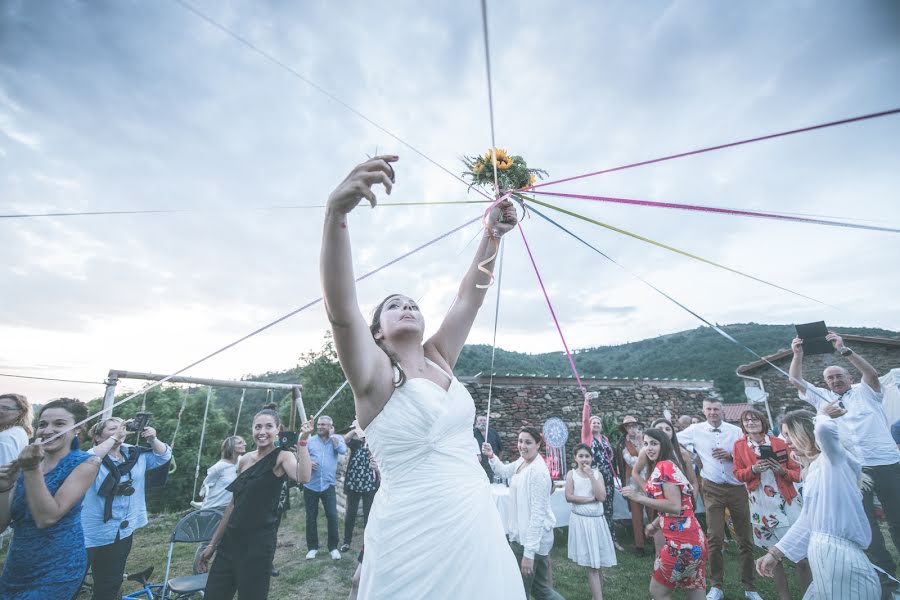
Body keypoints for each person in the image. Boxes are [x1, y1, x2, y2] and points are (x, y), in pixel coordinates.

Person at [321, 155, 524, 599]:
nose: (407, 306)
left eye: (412, 302)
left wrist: (492, 234)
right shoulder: (373, 375)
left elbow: (470, 297)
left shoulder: (439, 358)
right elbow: (341, 312)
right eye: (395, 305)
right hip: (412, 532)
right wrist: (336, 216)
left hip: (474, 521)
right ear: (377, 332)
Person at [789, 332, 900, 592]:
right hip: (853, 471)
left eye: (840, 375)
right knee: (866, 523)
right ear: (826, 382)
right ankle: (887, 579)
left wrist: (844, 350)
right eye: (831, 377)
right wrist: (797, 354)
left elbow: (871, 374)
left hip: (885, 462)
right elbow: (795, 380)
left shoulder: (866, 391)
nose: (836, 380)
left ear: (849, 378)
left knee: (898, 519)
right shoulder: (822, 399)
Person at [0, 398, 121, 600]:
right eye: (42, 424)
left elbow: (46, 518)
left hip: (58, 566)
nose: (47, 431)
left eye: (59, 424)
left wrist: (31, 469)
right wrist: (4, 488)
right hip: (18, 563)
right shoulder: (25, 463)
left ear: (78, 429)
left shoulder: (86, 463)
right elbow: (2, 525)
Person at [755, 409, 881, 598]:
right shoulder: (813, 469)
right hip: (821, 554)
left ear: (807, 431)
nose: (787, 442)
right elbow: (807, 520)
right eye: (784, 435)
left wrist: (821, 413)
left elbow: (825, 430)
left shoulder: (834, 461)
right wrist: (775, 553)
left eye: (790, 434)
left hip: (840, 557)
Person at [199, 405, 313, 600]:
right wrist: (212, 544)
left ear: (278, 430)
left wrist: (302, 442)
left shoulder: (282, 456)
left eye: (268, 426)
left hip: (258, 546)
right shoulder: (244, 460)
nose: (262, 432)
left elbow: (303, 477)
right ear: (252, 429)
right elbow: (233, 505)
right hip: (230, 543)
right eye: (257, 427)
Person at [80, 416, 172, 600]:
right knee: (72, 581)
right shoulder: (90, 456)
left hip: (120, 531)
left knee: (109, 584)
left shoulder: (134, 454)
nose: (119, 432)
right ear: (98, 437)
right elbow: (91, 457)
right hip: (89, 531)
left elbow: (164, 456)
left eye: (121, 428)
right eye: (112, 429)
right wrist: (115, 438)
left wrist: (152, 439)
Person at [678, 399, 760, 600]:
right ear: (704, 410)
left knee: (744, 539)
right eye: (709, 409)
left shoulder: (736, 431)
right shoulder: (695, 430)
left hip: (737, 488)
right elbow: (672, 440)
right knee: (714, 538)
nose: (713, 412)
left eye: (716, 409)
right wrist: (692, 457)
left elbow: (750, 455)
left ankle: (750, 587)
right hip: (712, 488)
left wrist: (731, 456)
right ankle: (716, 586)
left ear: (722, 410)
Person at [621, 428, 707, 600]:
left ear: (664, 445)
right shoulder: (669, 464)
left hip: (680, 544)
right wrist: (655, 524)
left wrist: (638, 497)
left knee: (657, 591)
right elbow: (680, 507)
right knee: (694, 587)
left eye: (654, 443)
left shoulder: (664, 467)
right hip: (694, 539)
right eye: (645, 444)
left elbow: (674, 506)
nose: (649, 448)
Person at [732, 408, 808, 600]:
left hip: (786, 502)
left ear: (763, 422)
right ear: (743, 425)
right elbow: (738, 474)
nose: (751, 422)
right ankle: (785, 598)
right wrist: (753, 469)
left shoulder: (781, 443)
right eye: (746, 420)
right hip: (759, 507)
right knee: (772, 556)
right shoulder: (739, 446)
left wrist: (782, 472)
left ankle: (809, 595)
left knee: (802, 554)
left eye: (755, 419)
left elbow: (799, 472)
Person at [484, 428, 564, 600]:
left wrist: (529, 554)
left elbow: (537, 516)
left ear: (538, 444)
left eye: (528, 442)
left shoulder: (538, 472)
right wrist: (492, 456)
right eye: (520, 441)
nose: (522, 446)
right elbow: (504, 471)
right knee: (541, 590)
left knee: (521, 592)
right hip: (521, 536)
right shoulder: (523, 461)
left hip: (529, 541)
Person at [632, 418, 700, 552]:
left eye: (667, 429)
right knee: (663, 550)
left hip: (676, 508)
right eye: (659, 429)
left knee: (677, 555)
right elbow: (635, 472)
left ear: (673, 433)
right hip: (661, 505)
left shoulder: (676, 458)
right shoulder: (648, 452)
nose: (664, 432)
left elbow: (692, 482)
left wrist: (691, 502)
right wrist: (649, 491)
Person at [565, 442, 616, 600]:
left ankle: (597, 597)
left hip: (597, 522)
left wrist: (591, 476)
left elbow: (601, 497)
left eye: (587, 456)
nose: (584, 459)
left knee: (597, 563)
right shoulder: (571, 474)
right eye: (581, 456)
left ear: (592, 458)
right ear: (575, 458)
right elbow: (569, 496)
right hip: (581, 521)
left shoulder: (597, 474)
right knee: (592, 565)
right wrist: (589, 499)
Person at [303, 415, 346, 560]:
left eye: (324, 425)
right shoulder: (311, 440)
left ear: (330, 427)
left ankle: (333, 548)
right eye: (319, 424)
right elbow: (300, 455)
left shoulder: (337, 439)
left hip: (328, 485)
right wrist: (308, 462)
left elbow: (343, 450)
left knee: (332, 516)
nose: (320, 426)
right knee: (311, 517)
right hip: (311, 485)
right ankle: (312, 548)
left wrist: (333, 437)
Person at [581, 398, 620, 551]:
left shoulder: (605, 439)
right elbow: (584, 420)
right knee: (596, 506)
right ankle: (596, 541)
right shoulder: (587, 437)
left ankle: (611, 539)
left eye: (598, 422)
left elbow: (610, 458)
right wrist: (586, 404)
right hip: (595, 477)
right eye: (593, 422)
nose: (595, 424)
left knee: (609, 507)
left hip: (608, 477)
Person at [340, 419, 379, 553]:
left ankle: (367, 544)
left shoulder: (375, 444)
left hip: (370, 486)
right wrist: (356, 428)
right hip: (354, 485)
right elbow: (344, 439)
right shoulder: (356, 444)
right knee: (350, 514)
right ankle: (346, 542)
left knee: (369, 515)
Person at [615, 415, 647, 556]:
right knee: (636, 515)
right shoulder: (623, 444)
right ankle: (639, 545)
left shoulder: (646, 440)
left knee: (653, 511)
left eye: (633, 425)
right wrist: (644, 454)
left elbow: (654, 456)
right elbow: (631, 461)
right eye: (628, 426)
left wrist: (642, 445)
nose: (632, 428)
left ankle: (655, 539)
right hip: (633, 483)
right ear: (625, 429)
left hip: (649, 480)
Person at [200, 436, 246, 510]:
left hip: (230, 508)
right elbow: (204, 487)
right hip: (214, 509)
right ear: (231, 447)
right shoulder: (219, 467)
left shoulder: (242, 461)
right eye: (240, 443)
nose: (245, 444)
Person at [0, 394, 31, 468]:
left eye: (5, 408)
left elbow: (5, 472)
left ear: (20, 412)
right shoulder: (20, 431)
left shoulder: (5, 437)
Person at [475, 414, 504, 481]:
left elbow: (501, 449)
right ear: (476, 422)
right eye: (480, 420)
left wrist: (497, 463)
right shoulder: (472, 434)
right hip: (477, 468)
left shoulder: (493, 433)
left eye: (484, 420)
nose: (482, 422)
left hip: (491, 469)